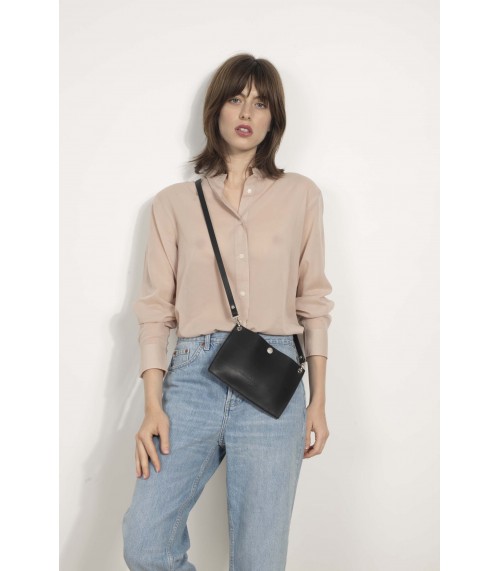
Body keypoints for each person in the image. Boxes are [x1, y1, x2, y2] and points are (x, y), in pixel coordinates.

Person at [121, 53, 335, 571]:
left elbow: (313, 301)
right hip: (191, 380)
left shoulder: (301, 195)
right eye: (236, 99)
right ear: (216, 108)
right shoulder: (173, 203)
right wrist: (152, 405)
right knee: (146, 543)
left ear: (273, 118)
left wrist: (319, 401)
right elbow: (155, 311)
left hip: (273, 382)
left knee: (260, 561)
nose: (246, 112)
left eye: (261, 103)